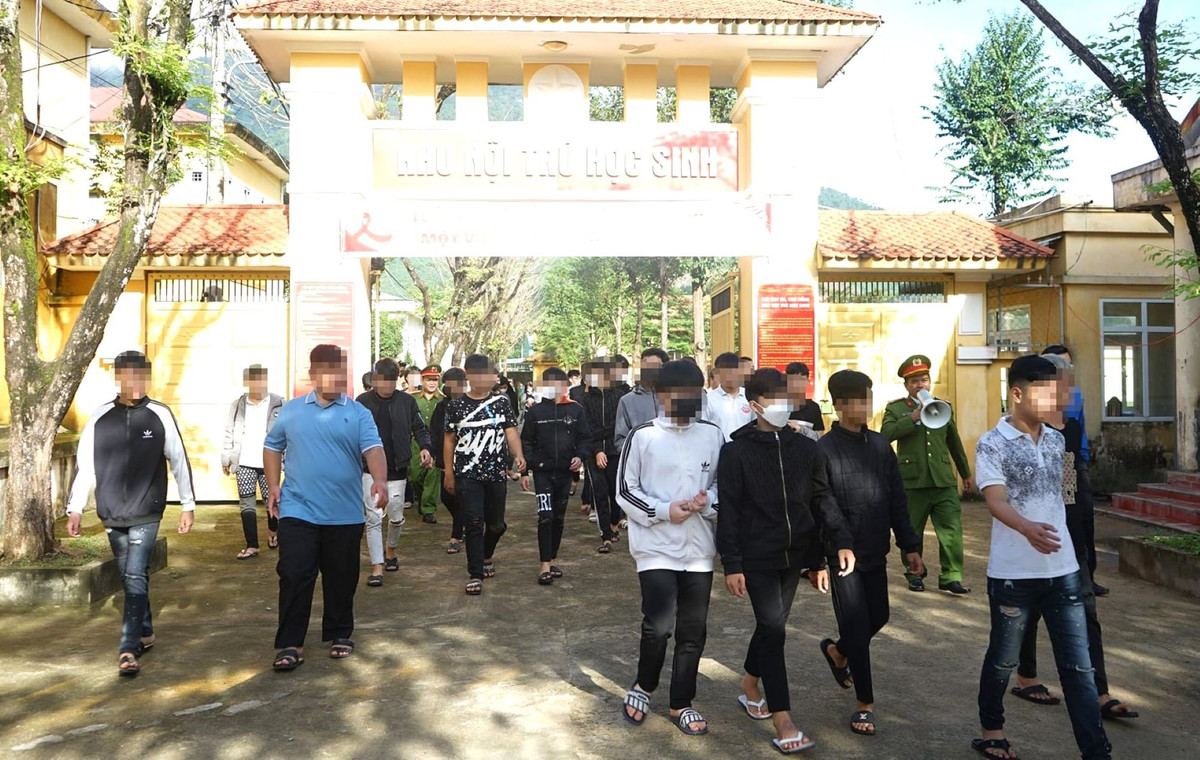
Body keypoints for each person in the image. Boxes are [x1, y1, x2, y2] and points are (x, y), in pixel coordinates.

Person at [971, 355, 1111, 760]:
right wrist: (1027, 528)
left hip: (1063, 573)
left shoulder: (1058, 440)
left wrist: (1077, 547)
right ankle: (992, 731)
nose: (1055, 399)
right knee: (1003, 660)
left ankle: (1096, 751)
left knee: (1079, 669)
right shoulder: (991, 443)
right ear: (1017, 394)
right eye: (1045, 392)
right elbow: (995, 500)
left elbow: (1067, 495)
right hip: (1012, 575)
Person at [717, 368, 856, 753]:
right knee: (774, 631)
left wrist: (824, 555)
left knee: (771, 627)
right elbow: (729, 512)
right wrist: (732, 563)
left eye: (786, 397)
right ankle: (783, 720)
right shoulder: (735, 452)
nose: (782, 405)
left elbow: (820, 502)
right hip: (756, 556)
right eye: (774, 398)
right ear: (755, 405)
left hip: (794, 556)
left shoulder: (806, 449)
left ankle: (749, 683)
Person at [1013, 353, 1138, 720]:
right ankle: (1026, 676)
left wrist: (1079, 538)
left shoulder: (1068, 430)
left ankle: (1100, 692)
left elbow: (1068, 490)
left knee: (1085, 607)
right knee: (1028, 609)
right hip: (1031, 535)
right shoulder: (1017, 431)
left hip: (1067, 537)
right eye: (1058, 385)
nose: (1065, 392)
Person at [66, 350, 196, 677]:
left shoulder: (159, 414)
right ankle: (146, 631)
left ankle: (128, 646)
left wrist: (188, 504)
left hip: (147, 509)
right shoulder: (100, 417)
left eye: (143, 376)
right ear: (118, 378)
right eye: (130, 376)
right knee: (129, 576)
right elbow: (86, 467)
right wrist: (75, 508)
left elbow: (179, 460)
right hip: (111, 511)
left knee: (136, 574)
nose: (137, 383)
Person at [617, 360, 724, 737]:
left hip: (699, 551)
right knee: (658, 627)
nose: (688, 402)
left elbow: (723, 485)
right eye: (680, 395)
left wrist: (707, 503)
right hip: (656, 548)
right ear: (662, 396)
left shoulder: (712, 435)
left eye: (695, 395)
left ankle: (681, 701)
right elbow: (625, 490)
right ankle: (644, 685)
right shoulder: (643, 436)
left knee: (693, 631)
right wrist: (663, 510)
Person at [815, 370, 924, 737]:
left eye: (868, 398)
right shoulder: (824, 450)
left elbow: (897, 500)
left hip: (875, 549)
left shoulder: (879, 446)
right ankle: (864, 705)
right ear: (840, 404)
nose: (866, 405)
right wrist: (839, 544)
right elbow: (824, 504)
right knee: (858, 626)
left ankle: (838, 652)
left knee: (880, 615)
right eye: (860, 399)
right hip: (842, 555)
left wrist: (910, 545)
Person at [265, 345, 386, 671]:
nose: (336, 379)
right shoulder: (292, 411)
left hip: (344, 513)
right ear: (314, 374)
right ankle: (291, 643)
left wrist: (379, 480)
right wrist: (274, 485)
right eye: (329, 372)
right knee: (294, 573)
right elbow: (272, 446)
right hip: (297, 510)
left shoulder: (358, 413)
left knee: (341, 577)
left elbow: (373, 449)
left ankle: (339, 632)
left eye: (340, 372)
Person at [881, 354, 973, 594]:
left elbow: (954, 443)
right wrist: (911, 419)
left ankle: (951, 576)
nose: (920, 385)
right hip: (913, 482)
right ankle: (915, 573)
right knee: (912, 531)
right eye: (914, 381)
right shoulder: (896, 408)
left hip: (943, 480)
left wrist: (965, 473)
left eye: (924, 380)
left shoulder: (943, 407)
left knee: (951, 531)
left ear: (929, 382)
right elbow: (885, 435)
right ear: (906, 385)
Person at [444, 354, 527, 595]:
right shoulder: (456, 406)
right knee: (473, 522)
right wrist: (449, 472)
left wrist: (519, 455)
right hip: (467, 474)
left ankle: (487, 554)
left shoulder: (501, 403)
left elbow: (511, 432)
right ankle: (475, 573)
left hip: (495, 474)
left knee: (496, 525)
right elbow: (449, 440)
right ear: (468, 375)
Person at [355, 358, 434, 587]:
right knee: (373, 518)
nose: (387, 386)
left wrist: (426, 448)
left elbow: (420, 428)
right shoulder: (362, 402)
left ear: (397, 380)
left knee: (396, 517)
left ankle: (391, 549)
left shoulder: (407, 402)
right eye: (382, 381)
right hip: (368, 468)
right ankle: (377, 566)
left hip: (397, 468)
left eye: (391, 381)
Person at [520, 367, 592, 585]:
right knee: (545, 516)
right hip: (542, 473)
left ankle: (552, 560)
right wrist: (525, 470)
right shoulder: (535, 412)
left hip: (565, 473)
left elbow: (585, 439)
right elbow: (526, 441)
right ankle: (544, 565)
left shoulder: (576, 410)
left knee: (559, 517)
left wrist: (580, 456)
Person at [1041, 344, 1103, 595]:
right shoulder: (1035, 418)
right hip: (1050, 470)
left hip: (1074, 464)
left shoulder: (1074, 402)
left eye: (1068, 366)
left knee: (1081, 520)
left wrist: (1080, 464)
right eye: (1058, 367)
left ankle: (1085, 578)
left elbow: (1076, 434)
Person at [223, 364, 285, 560]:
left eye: (261, 381)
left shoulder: (279, 403)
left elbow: (288, 433)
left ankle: (273, 532)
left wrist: (287, 459)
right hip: (244, 462)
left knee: (272, 501)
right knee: (246, 504)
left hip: (270, 463)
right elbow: (229, 431)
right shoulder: (238, 405)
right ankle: (252, 545)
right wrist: (226, 457)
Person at [582, 358, 631, 552]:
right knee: (600, 493)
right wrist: (597, 450)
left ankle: (613, 523)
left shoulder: (620, 396)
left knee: (616, 491)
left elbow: (619, 425)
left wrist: (604, 438)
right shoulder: (586, 399)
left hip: (615, 450)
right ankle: (606, 535)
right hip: (594, 453)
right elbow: (586, 428)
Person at [430, 367, 467, 554]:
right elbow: (435, 432)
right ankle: (465, 523)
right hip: (445, 459)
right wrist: (432, 453)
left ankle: (456, 536)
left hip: (465, 459)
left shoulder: (469, 404)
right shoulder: (441, 407)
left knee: (460, 497)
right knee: (446, 497)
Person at [614, 347, 668, 453]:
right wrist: (640, 454)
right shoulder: (627, 401)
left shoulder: (675, 397)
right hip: (641, 460)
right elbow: (620, 441)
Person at [410, 365, 444, 525]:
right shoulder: (413, 399)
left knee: (432, 476)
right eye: (429, 379)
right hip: (416, 443)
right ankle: (422, 499)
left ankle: (428, 509)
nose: (432, 383)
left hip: (436, 444)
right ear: (422, 380)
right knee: (415, 476)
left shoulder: (443, 400)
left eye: (435, 380)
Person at [704, 351, 754, 439]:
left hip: (745, 446)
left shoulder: (750, 396)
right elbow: (704, 429)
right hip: (719, 447)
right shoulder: (708, 400)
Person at [785, 361, 825, 439]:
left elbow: (819, 436)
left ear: (807, 381)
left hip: (807, 446)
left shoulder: (813, 407)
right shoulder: (777, 405)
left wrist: (801, 429)